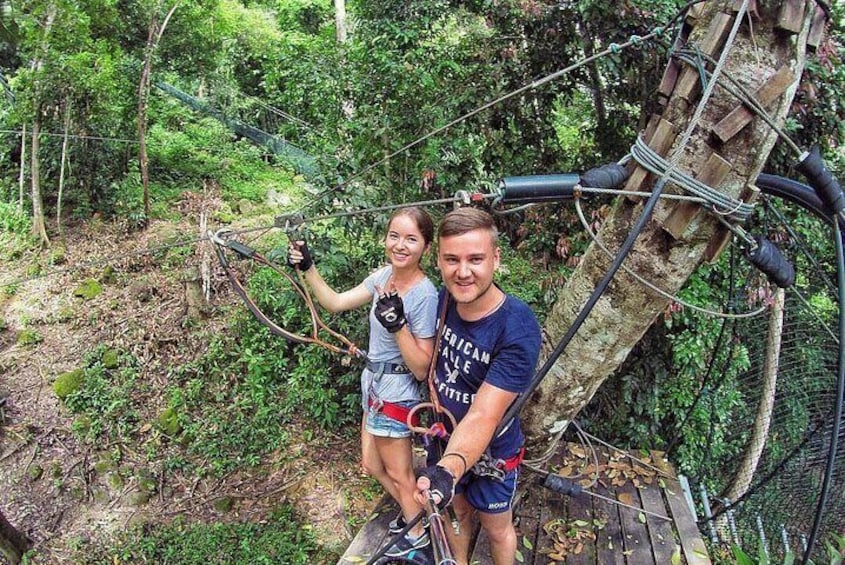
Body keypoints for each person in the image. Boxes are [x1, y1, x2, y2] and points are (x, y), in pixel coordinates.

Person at [287, 207, 438, 557]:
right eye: (395, 236)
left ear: (425, 248)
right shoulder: (384, 276)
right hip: (374, 386)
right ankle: (415, 514)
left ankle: (418, 535)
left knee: (401, 475)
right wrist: (308, 267)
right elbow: (335, 303)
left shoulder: (424, 295)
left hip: (397, 392)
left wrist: (398, 325)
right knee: (371, 465)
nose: (400, 245)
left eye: (411, 239)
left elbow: (421, 367)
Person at [413, 207, 541, 565]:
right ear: (437, 260)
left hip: (490, 456)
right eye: (451, 259)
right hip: (443, 439)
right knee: (460, 516)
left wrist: (448, 470)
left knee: (498, 529)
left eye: (476, 259)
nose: (463, 271)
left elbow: (485, 413)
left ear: (496, 259)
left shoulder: (517, 326)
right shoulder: (440, 302)